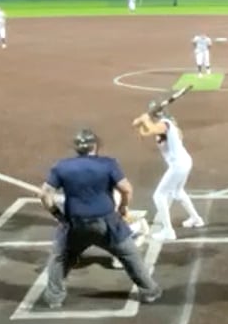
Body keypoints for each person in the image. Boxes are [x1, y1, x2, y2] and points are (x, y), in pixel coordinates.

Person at [38, 129, 162, 308]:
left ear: (77, 148)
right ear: (94, 146)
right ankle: (149, 291)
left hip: (75, 224)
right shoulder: (108, 164)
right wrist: (123, 207)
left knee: (60, 257)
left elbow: (44, 194)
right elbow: (126, 189)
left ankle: (54, 298)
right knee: (129, 255)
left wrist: (56, 214)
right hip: (107, 223)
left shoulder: (62, 166)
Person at [134, 98, 203, 240]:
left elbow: (153, 129)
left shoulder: (165, 124)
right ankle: (196, 219)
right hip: (184, 162)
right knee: (178, 192)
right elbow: (145, 132)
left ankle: (168, 231)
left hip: (178, 165)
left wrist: (145, 119)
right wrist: (140, 122)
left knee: (158, 195)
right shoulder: (163, 125)